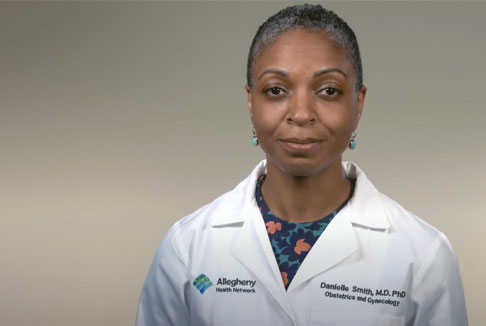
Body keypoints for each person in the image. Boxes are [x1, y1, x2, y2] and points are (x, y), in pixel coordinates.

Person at [136, 4, 468, 326]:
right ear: (251, 102)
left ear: (358, 102)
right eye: (276, 90)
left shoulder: (423, 256)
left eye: (328, 91)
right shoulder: (186, 248)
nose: (301, 113)